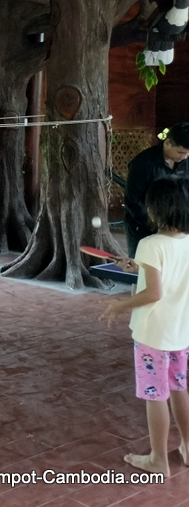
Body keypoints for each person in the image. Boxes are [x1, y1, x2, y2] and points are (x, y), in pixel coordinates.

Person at [103, 177, 189, 477]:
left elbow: (154, 293)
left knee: (156, 395)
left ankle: (158, 460)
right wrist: (138, 266)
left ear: (156, 209)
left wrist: (119, 305)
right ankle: (188, 448)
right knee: (179, 388)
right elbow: (170, 274)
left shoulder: (149, 244)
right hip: (180, 331)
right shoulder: (186, 242)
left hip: (153, 333)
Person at [124, 123, 189, 257]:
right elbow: (133, 200)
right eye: (181, 152)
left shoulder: (185, 161)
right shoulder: (143, 164)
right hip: (144, 225)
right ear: (167, 143)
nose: (184, 156)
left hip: (177, 227)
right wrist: (156, 224)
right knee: (141, 265)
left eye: (188, 153)